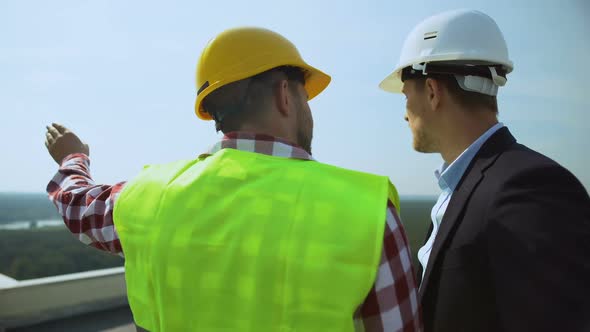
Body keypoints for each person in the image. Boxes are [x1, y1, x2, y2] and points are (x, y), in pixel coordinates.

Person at [44, 27, 422, 331]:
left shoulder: (147, 195)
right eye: (306, 96)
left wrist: (72, 158)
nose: (309, 110)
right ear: (284, 95)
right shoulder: (367, 213)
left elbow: (78, 206)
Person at [379, 9, 590, 332]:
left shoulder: (530, 188)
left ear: (433, 92)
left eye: (406, 96)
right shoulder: (467, 187)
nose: (405, 115)